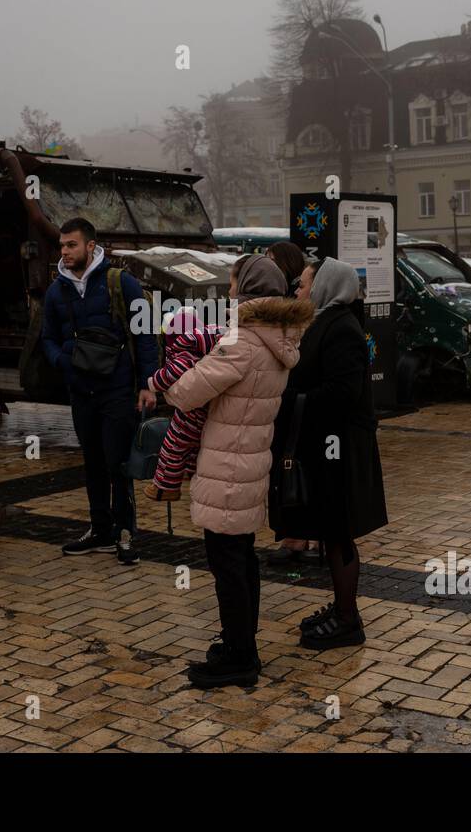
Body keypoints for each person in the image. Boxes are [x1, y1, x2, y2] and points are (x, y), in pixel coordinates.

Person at [162, 254, 313, 688]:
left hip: (227, 468)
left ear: (246, 289)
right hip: (249, 464)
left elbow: (186, 392)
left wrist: (168, 379)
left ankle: (239, 657)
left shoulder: (241, 342)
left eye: (232, 283)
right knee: (241, 559)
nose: (227, 291)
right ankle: (239, 644)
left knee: (228, 565)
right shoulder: (276, 340)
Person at [271, 257, 388, 650]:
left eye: (303, 285)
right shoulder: (326, 321)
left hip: (341, 448)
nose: (298, 291)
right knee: (331, 530)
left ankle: (348, 619)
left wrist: (290, 399)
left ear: (324, 287)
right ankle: (340, 607)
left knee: (339, 533)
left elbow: (343, 393)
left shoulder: (341, 329)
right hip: (328, 445)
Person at [41, 218, 157, 564]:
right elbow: (46, 337)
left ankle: (125, 533)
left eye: (71, 245)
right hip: (81, 391)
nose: (65, 251)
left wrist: (148, 384)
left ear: (91, 246)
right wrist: (62, 360)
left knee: (117, 463)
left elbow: (145, 334)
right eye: (62, 246)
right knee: (92, 463)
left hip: (117, 391)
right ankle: (100, 529)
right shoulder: (56, 290)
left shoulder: (121, 282)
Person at [263, 241, 319, 566]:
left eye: (272, 262)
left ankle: (309, 535)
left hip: (299, 399)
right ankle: (291, 535)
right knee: (283, 469)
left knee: (301, 468)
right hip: (282, 400)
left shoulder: (300, 308)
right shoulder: (274, 307)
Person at [144, 307, 220, 501]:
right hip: (203, 413)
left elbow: (170, 374)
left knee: (173, 446)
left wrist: (153, 382)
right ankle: (192, 471)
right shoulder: (206, 351)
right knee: (194, 446)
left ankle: (164, 486)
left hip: (189, 414)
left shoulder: (184, 354)